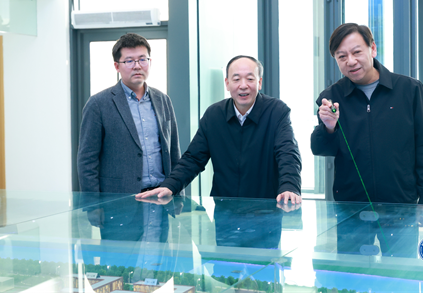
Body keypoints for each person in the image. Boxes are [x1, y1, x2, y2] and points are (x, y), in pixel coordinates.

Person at [311, 23, 423, 223]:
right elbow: (320, 149)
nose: (351, 61)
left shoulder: (409, 90)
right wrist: (329, 127)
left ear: (372, 48)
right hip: (350, 209)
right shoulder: (331, 97)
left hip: (401, 206)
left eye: (357, 52)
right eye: (342, 56)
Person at [137, 55, 302, 203]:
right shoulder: (214, 115)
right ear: (227, 83)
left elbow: (288, 154)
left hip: (266, 209)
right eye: (236, 79)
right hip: (225, 210)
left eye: (250, 79)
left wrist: (289, 186)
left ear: (259, 83)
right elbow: (193, 159)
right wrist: (170, 186)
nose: (243, 85)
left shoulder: (276, 111)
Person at [77, 33, 181, 194]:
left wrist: (178, 194)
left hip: (161, 196)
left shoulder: (163, 100)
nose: (137, 66)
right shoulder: (98, 104)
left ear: (150, 62)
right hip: (119, 198)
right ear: (117, 66)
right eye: (129, 61)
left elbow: (174, 153)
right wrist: (93, 204)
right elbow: (87, 162)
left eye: (142, 59)